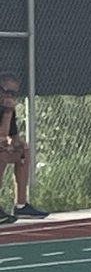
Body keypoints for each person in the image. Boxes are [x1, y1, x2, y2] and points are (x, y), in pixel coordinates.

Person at [0, 73, 49, 224]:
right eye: (6, 91)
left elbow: (12, 136)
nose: (9, 96)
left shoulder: (8, 107)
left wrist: (17, 144)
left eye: (13, 93)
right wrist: (7, 113)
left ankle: (21, 205)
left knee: (22, 151)